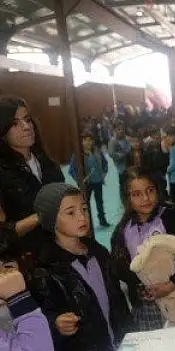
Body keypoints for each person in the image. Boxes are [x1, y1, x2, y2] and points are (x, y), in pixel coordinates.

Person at [29, 183, 132, 350]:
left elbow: (118, 299)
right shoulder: (45, 269)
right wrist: (55, 323)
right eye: (71, 212)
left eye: (84, 209)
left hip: (118, 343)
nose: (82, 217)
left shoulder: (99, 252)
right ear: (51, 219)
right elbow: (38, 317)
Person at [110, 168, 175, 331]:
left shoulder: (171, 218)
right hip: (146, 304)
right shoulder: (122, 231)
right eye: (136, 194)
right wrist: (141, 288)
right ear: (127, 198)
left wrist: (171, 284)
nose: (145, 198)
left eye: (150, 190)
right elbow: (121, 268)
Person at [0, 96, 65, 273]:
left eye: (27, 120)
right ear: (3, 132)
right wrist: (41, 215)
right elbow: (3, 234)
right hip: (30, 266)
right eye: (15, 123)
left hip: (63, 253)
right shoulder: (3, 174)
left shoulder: (49, 166)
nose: (26, 126)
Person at [0, 230, 53, 351]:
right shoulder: (22, 299)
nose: (4, 276)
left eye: (8, 267)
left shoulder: (34, 291)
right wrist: (19, 300)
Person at [69, 132, 109, 227]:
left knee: (99, 201)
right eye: (85, 140)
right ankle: (87, 222)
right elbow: (71, 170)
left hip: (98, 182)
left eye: (90, 140)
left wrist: (103, 174)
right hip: (87, 183)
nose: (88, 142)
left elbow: (105, 163)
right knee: (85, 204)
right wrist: (80, 180)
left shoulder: (97, 151)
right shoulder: (78, 155)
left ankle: (102, 220)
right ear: (81, 142)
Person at [108, 120, 132, 192]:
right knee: (122, 185)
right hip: (118, 168)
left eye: (122, 129)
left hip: (126, 165)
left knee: (127, 183)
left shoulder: (125, 139)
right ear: (114, 130)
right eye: (118, 129)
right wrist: (121, 155)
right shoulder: (113, 141)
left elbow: (128, 148)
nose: (121, 131)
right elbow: (111, 154)